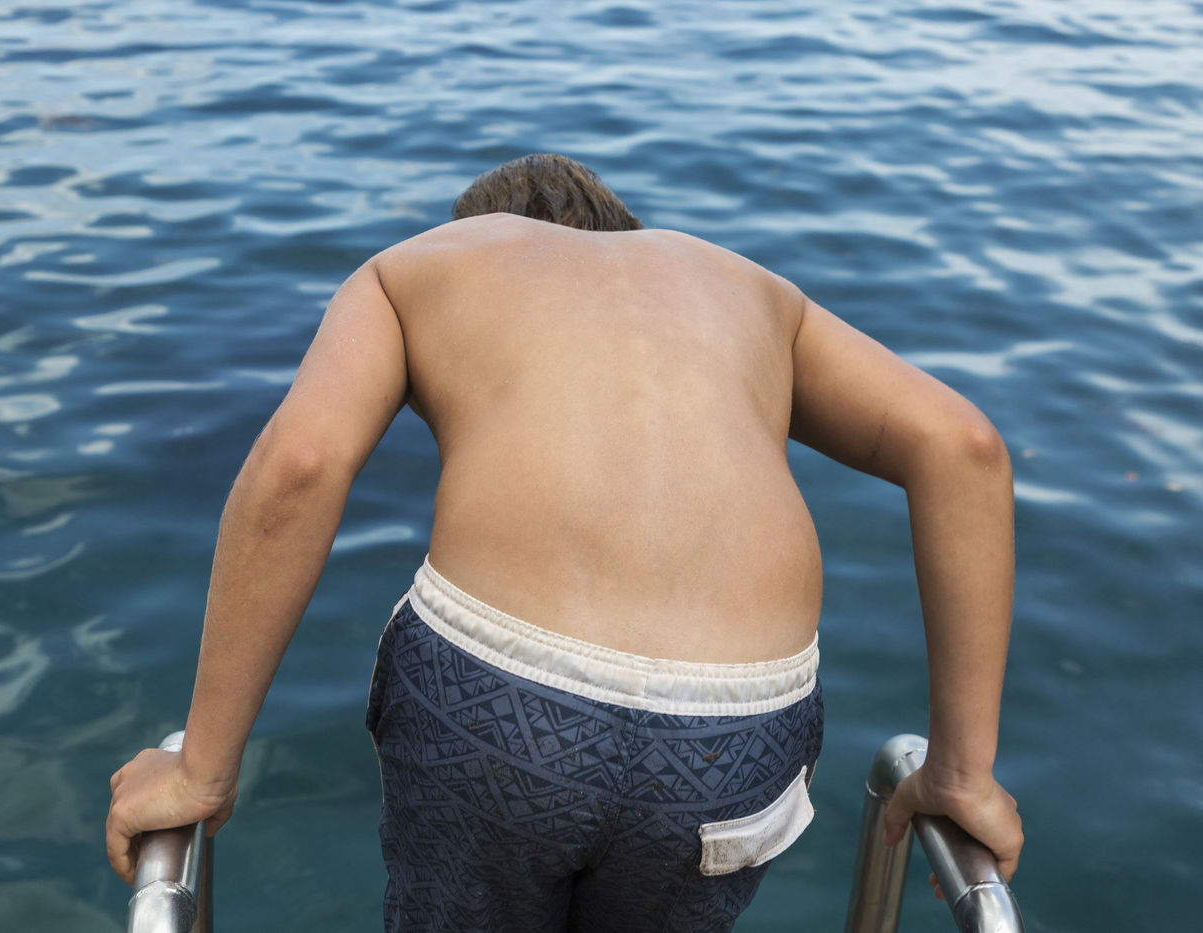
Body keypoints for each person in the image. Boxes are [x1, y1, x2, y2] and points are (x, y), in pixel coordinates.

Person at [106, 153, 1022, 930]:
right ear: (626, 227)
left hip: (497, 692)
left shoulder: (417, 266)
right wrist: (961, 774)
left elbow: (301, 465)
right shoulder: (752, 289)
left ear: (479, 224)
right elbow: (966, 449)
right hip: (738, 726)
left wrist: (202, 768)